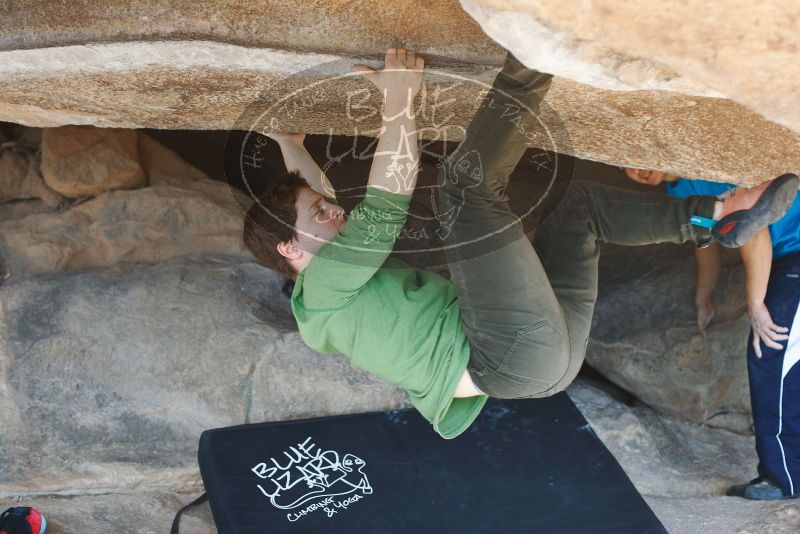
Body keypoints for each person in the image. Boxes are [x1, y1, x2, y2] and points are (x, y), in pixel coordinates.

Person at [243, 47, 799, 439]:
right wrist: (398, 104)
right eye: (319, 213)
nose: (333, 205)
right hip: (510, 356)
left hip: (542, 361)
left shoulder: (320, 285)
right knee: (463, 187)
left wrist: (289, 144)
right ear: (292, 252)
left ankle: (718, 216)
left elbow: (312, 194)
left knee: (575, 206)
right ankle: (535, 53)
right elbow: (387, 201)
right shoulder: (323, 286)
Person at [624, 167, 800, 500]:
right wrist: (705, 295)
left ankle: (785, 478)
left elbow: (753, 229)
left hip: (795, 256)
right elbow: (704, 242)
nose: (636, 170)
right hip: (790, 258)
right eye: (624, 166)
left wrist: (756, 303)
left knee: (773, 353)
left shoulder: (705, 166)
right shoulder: (681, 192)